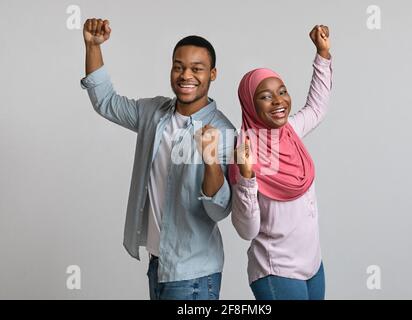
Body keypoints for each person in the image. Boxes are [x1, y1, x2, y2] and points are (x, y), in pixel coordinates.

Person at [80, 18, 235, 300]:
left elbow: (219, 210)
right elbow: (106, 102)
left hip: (194, 274)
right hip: (158, 265)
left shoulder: (223, 131)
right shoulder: (154, 113)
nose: (186, 75)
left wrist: (210, 160)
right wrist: (93, 47)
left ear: (212, 74)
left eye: (197, 69)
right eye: (179, 66)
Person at [229, 25, 333, 300]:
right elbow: (246, 230)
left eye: (282, 91)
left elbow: (317, 107)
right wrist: (247, 177)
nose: (279, 101)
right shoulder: (244, 151)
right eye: (265, 96)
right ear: (249, 104)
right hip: (277, 271)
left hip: (313, 266)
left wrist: (322, 54)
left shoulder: (290, 132)